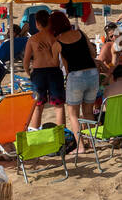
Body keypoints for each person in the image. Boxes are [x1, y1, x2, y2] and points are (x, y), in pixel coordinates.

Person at [53, 12, 98, 153]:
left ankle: (80, 146)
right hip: (92, 73)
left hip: (75, 76)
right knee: (88, 112)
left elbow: (59, 65)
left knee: (73, 114)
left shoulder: (57, 42)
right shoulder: (80, 33)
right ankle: (92, 142)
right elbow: (93, 53)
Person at [22, 10, 64, 127]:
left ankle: (35, 134)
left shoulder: (33, 39)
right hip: (54, 71)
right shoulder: (55, 38)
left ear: (37, 23)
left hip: (38, 73)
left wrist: (28, 73)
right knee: (58, 106)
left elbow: (25, 62)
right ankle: (62, 135)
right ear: (49, 22)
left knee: (38, 106)